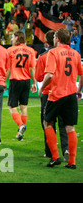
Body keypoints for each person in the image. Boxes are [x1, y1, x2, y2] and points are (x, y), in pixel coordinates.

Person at [38, 28, 83, 169]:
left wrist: (41, 88)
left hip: (56, 94)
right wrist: (79, 90)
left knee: (47, 123)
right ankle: (72, 161)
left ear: (57, 38)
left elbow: (49, 75)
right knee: (70, 127)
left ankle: (55, 156)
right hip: (71, 94)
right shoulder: (76, 54)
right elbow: (82, 74)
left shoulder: (53, 52)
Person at [35, 30, 68, 161]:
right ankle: (66, 149)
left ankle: (50, 152)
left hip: (49, 93)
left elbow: (38, 77)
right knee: (64, 124)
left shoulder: (44, 56)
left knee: (48, 122)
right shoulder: (70, 53)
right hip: (65, 91)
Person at [6, 30, 37, 140]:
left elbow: (8, 68)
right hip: (26, 81)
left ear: (18, 38)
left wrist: (4, 80)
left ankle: (21, 125)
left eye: (13, 37)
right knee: (23, 106)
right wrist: (34, 82)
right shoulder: (31, 50)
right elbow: (33, 67)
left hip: (15, 80)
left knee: (11, 106)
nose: (11, 39)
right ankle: (21, 133)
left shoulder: (10, 50)